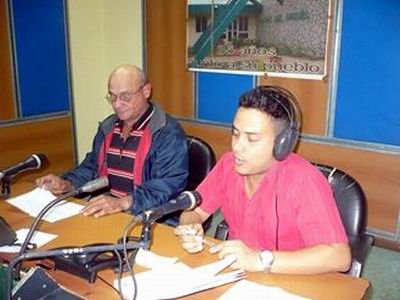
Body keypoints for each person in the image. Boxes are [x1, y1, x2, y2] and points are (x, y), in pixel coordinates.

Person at [175, 86, 351, 275]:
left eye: (252, 139)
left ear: (282, 143)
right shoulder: (228, 165)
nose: (237, 147)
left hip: (293, 280)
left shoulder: (304, 180)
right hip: (240, 275)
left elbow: (340, 257)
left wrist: (261, 260)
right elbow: (194, 211)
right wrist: (190, 228)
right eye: (235, 134)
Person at [36, 64, 189, 218]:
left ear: (146, 91)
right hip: (110, 213)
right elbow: (91, 167)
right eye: (112, 97)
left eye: (125, 97)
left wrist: (123, 202)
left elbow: (167, 185)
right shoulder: (108, 127)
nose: (117, 104)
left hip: (149, 217)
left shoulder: (167, 132)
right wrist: (66, 184)